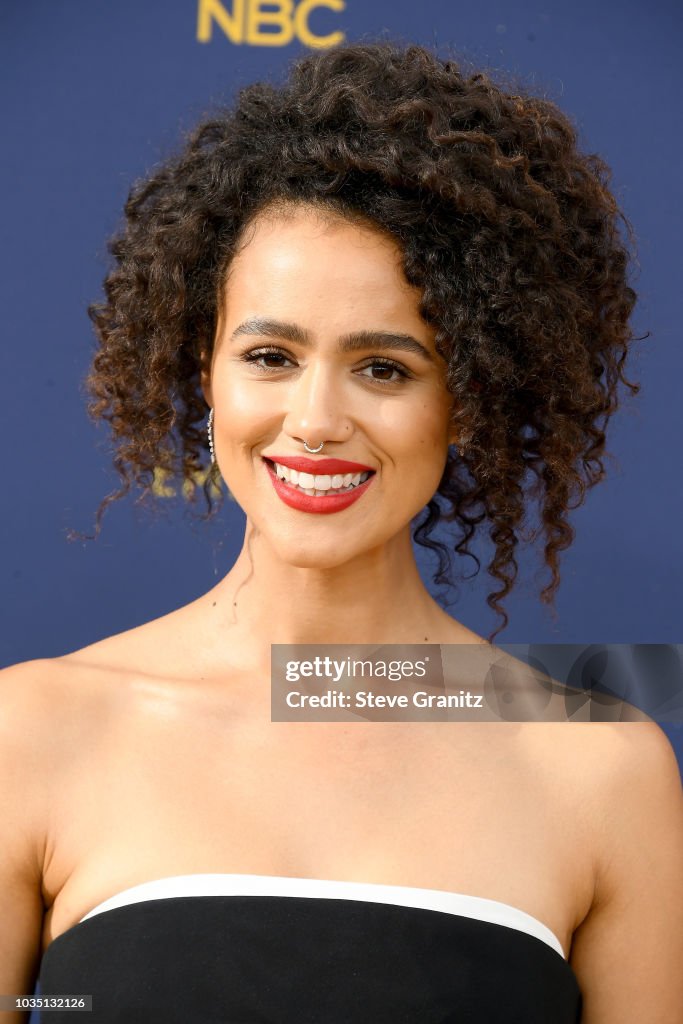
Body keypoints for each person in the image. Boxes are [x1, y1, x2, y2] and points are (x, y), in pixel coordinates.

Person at [1, 40, 682, 1024]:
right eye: (271, 354)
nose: (316, 419)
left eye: (383, 368)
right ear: (205, 372)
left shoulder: (597, 767)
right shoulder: (32, 735)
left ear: (470, 398)